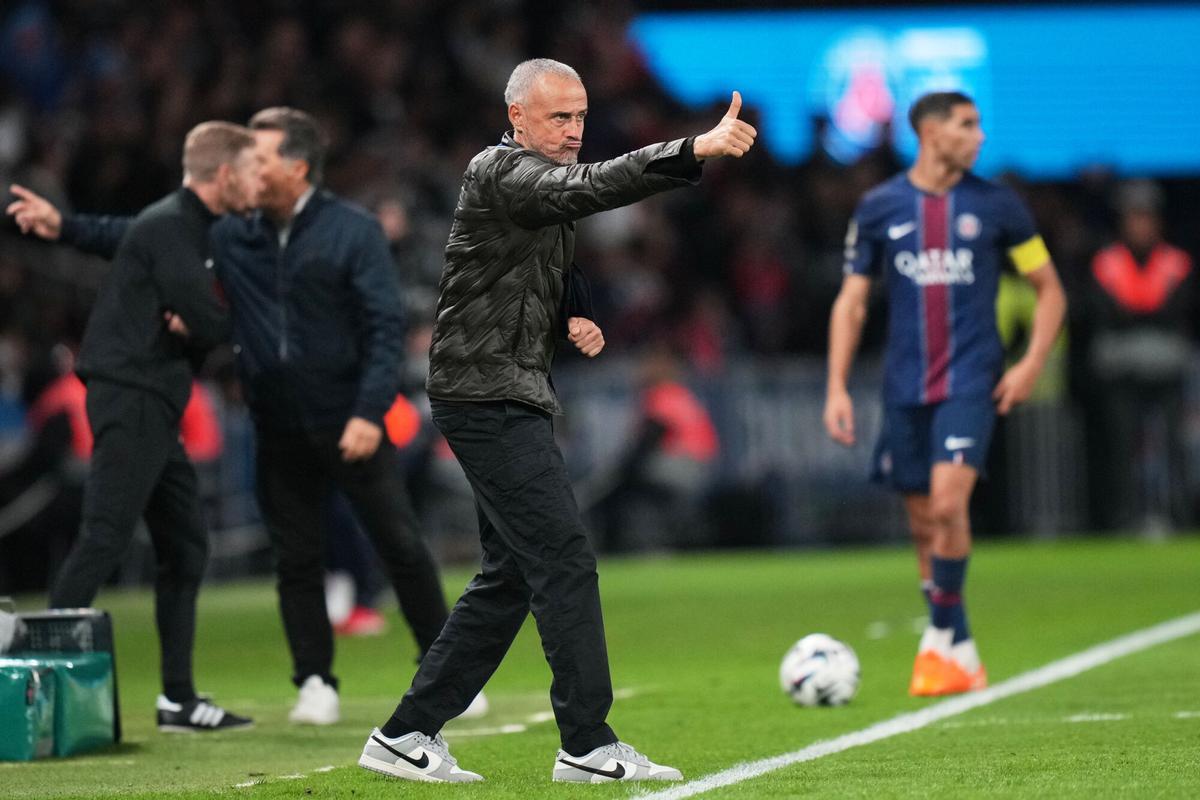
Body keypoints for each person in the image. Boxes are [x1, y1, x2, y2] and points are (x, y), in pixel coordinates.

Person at [6, 108, 483, 726]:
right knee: (296, 558)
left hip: (348, 417)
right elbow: (142, 235)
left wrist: (369, 409)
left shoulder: (351, 230)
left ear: (297, 165)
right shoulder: (234, 233)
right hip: (275, 420)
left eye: (261, 158)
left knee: (402, 546)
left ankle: (448, 675)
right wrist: (64, 227)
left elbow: (384, 326)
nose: (249, 169)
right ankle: (314, 680)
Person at [356, 58, 755, 784]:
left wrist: (575, 311)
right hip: (485, 393)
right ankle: (587, 743)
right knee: (564, 558)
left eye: (579, 116)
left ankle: (406, 733)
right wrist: (690, 149)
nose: (573, 131)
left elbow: (538, 254)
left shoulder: (531, 182)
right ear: (517, 119)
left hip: (504, 387)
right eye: (557, 118)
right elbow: (585, 189)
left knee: (511, 573)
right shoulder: (501, 171)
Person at [7, 122, 260, 731]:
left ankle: (177, 699)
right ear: (223, 175)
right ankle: (31, 685)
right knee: (104, 535)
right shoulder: (175, 227)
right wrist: (222, 321)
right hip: (133, 394)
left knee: (184, 546)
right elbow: (205, 314)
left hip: (153, 399)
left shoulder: (180, 225)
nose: (257, 181)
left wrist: (64, 226)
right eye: (249, 170)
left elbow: (123, 238)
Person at [823, 91, 1065, 697]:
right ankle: (960, 646)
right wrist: (836, 385)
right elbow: (852, 301)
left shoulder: (999, 205)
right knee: (924, 520)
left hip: (970, 382)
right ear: (930, 133)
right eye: (967, 125)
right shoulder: (880, 208)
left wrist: (1031, 361)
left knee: (950, 504)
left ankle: (938, 638)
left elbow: (1050, 290)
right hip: (904, 386)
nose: (979, 136)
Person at [1083, 180, 1194, 532]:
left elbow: (1180, 312)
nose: (1140, 224)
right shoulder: (1106, 262)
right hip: (1121, 370)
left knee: (1175, 447)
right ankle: (1125, 517)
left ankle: (1180, 515)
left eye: (1146, 216)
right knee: (1121, 447)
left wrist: (1136, 314)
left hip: (1167, 366)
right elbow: (1102, 313)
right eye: (1133, 216)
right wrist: (1144, 315)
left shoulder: (1176, 263)